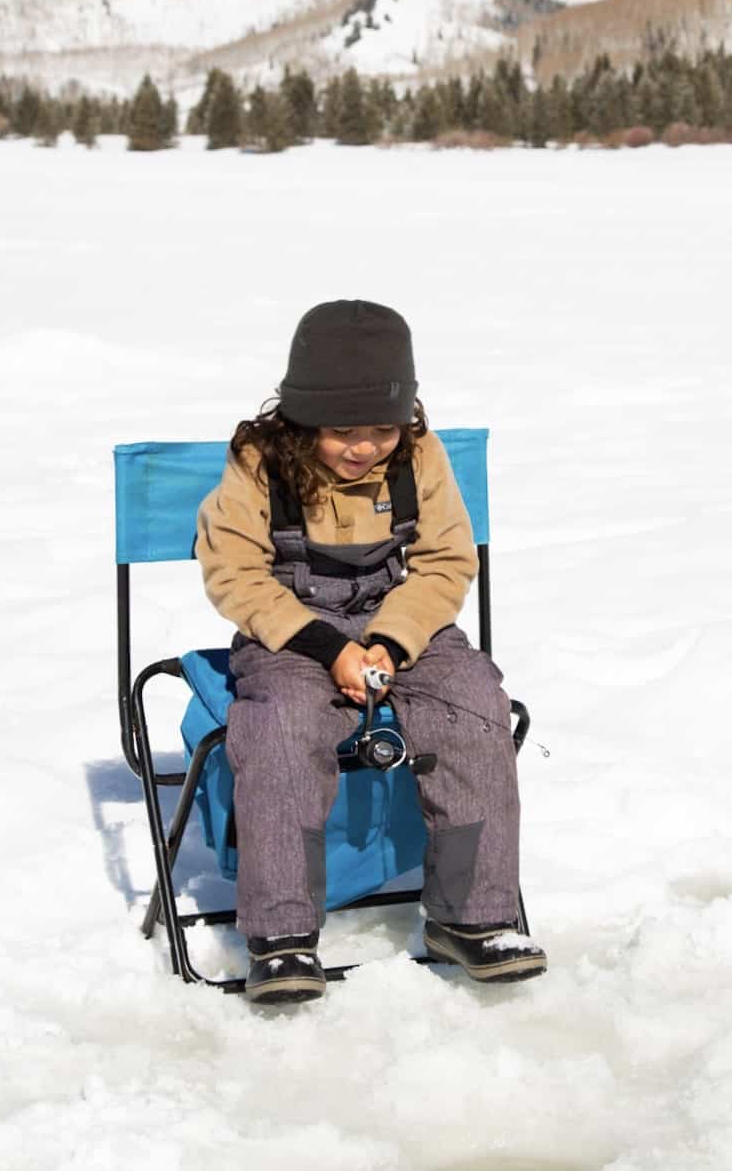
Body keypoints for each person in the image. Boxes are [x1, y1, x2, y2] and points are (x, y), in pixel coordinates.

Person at [194, 299, 545, 1004]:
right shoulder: (260, 462)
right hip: (289, 632)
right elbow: (232, 571)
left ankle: (471, 918)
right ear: (300, 418)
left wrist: (389, 640)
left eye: (382, 429)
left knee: (476, 709)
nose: (363, 447)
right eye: (341, 431)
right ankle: (283, 934)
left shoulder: (421, 455)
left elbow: (446, 562)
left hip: (401, 623)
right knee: (282, 731)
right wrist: (328, 648)